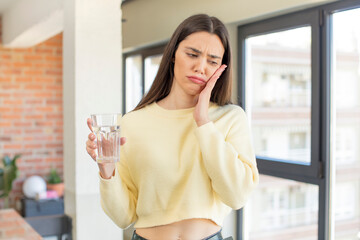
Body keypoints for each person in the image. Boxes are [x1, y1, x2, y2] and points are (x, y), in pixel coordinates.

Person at [86, 14, 259, 240]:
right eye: (192, 54)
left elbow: (237, 196)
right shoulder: (132, 123)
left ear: (221, 68)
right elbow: (123, 217)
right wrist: (107, 169)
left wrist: (203, 122)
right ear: (173, 55)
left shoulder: (230, 118)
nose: (201, 67)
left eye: (213, 61)